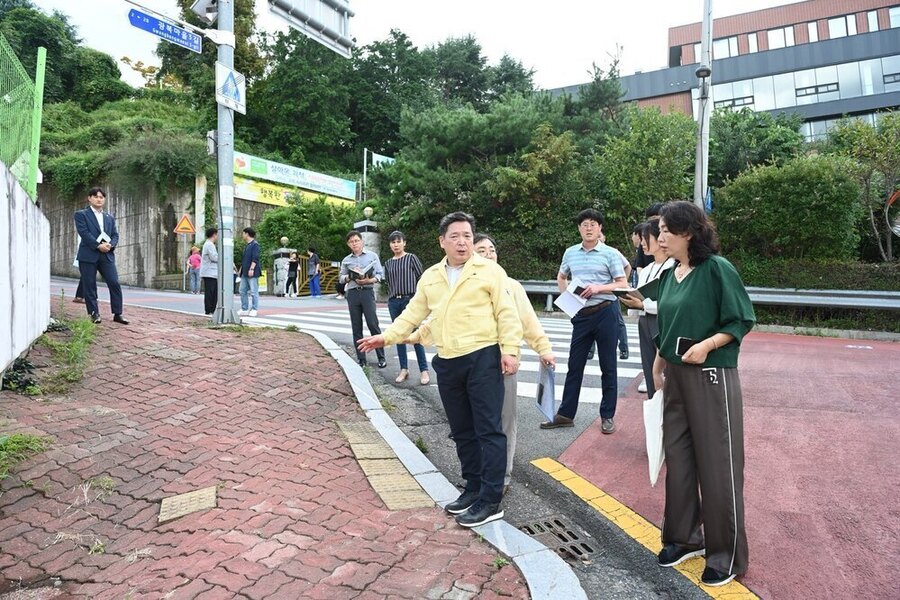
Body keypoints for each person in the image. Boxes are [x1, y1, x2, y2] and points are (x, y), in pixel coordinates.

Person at [358, 212, 522, 528]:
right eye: (456, 236)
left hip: (483, 357)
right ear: (442, 241)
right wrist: (387, 337)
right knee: (462, 430)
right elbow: (412, 314)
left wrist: (510, 351)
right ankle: (472, 488)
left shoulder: (489, 271)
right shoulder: (431, 276)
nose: (463, 242)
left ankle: (491, 500)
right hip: (448, 361)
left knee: (488, 429)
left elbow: (507, 314)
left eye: (467, 236)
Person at [651, 201, 755, 587]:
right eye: (659, 229)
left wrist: (709, 344)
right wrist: (659, 364)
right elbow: (668, 323)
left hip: (711, 375)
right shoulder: (669, 274)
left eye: (665, 229)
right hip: (676, 375)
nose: (659, 236)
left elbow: (741, 318)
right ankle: (683, 537)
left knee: (718, 463)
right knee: (678, 459)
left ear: (687, 232)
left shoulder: (716, 269)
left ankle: (725, 553)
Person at [473, 233, 554, 493]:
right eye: (482, 250)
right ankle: (478, 473)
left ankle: (503, 476)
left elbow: (528, 322)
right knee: (477, 421)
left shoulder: (511, 286)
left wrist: (544, 349)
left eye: (492, 249)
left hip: (505, 364)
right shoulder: (465, 285)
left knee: (505, 420)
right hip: (473, 363)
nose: (489, 254)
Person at [542, 209, 626, 434]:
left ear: (600, 228)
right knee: (574, 365)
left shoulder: (610, 253)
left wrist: (599, 287)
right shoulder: (570, 253)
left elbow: (621, 282)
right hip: (581, 315)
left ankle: (607, 415)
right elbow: (562, 276)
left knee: (608, 366)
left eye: (593, 224)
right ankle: (565, 414)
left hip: (606, 312)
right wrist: (567, 300)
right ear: (579, 228)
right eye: (584, 224)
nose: (588, 228)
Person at [618, 218, 674, 398]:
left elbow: (672, 304)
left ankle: (670, 417)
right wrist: (630, 299)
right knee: (649, 368)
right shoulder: (648, 268)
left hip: (662, 321)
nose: (642, 242)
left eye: (646, 237)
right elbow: (639, 299)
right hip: (644, 321)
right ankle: (654, 405)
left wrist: (642, 304)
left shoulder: (673, 267)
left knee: (666, 372)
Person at [74, 187, 128, 325]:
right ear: (89, 198)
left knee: (114, 282)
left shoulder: (109, 217)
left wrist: (111, 245)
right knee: (90, 285)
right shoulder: (81, 214)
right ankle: (94, 314)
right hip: (88, 255)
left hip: (107, 255)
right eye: (96, 196)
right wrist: (98, 245)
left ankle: (118, 313)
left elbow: (115, 234)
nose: (99, 199)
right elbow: (84, 233)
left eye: (101, 197)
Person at [383, 231, 430, 385]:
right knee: (398, 335)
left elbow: (421, 278)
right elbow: (388, 281)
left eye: (398, 241)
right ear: (390, 245)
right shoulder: (388, 263)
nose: (396, 244)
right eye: (393, 242)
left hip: (410, 300)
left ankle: (424, 370)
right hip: (394, 302)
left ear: (404, 243)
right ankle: (404, 369)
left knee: (416, 335)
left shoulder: (411, 258)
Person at [340, 231, 387, 368]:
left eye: (356, 240)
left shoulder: (372, 256)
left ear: (362, 241)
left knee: (373, 324)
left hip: (367, 292)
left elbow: (380, 274)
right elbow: (341, 278)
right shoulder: (346, 260)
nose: (354, 243)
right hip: (353, 293)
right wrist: (350, 277)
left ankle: (381, 357)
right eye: (351, 242)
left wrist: (368, 280)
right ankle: (361, 359)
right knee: (356, 326)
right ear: (349, 244)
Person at [238, 227, 261, 317]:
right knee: (242, 290)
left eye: (243, 233)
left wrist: (252, 269)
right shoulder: (247, 245)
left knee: (254, 291)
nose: (242, 235)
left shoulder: (255, 244)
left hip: (252, 272)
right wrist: (241, 269)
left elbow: (255, 258)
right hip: (244, 272)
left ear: (247, 234)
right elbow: (245, 259)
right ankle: (244, 308)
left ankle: (254, 309)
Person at [200, 227, 218, 316]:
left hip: (211, 272)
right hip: (210, 272)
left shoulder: (208, 244)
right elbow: (214, 257)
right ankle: (209, 310)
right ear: (214, 234)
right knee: (211, 292)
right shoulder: (209, 244)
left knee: (212, 292)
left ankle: (211, 310)